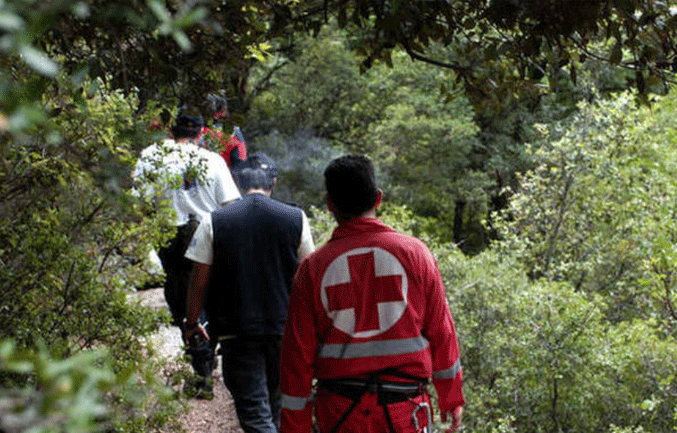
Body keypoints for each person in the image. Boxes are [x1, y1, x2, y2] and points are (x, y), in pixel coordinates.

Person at [279, 154, 465, 433]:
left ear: (330, 204)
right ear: (378, 198)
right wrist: (451, 398)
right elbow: (442, 331)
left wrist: (296, 427)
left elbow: (297, 356)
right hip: (406, 412)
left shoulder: (312, 268)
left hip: (339, 413)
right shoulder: (416, 254)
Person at [183, 153, 315, 433]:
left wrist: (192, 322)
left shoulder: (214, 221)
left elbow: (198, 280)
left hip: (236, 331)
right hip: (285, 331)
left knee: (255, 414)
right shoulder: (295, 218)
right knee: (279, 408)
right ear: (274, 181)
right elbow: (307, 278)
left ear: (238, 181)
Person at [133, 112, 241, 399]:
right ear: (200, 133)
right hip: (207, 233)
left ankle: (199, 365)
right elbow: (230, 204)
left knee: (182, 298)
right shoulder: (213, 160)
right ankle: (205, 362)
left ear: (171, 131)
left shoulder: (150, 155)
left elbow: (140, 203)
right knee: (208, 295)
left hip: (169, 235)